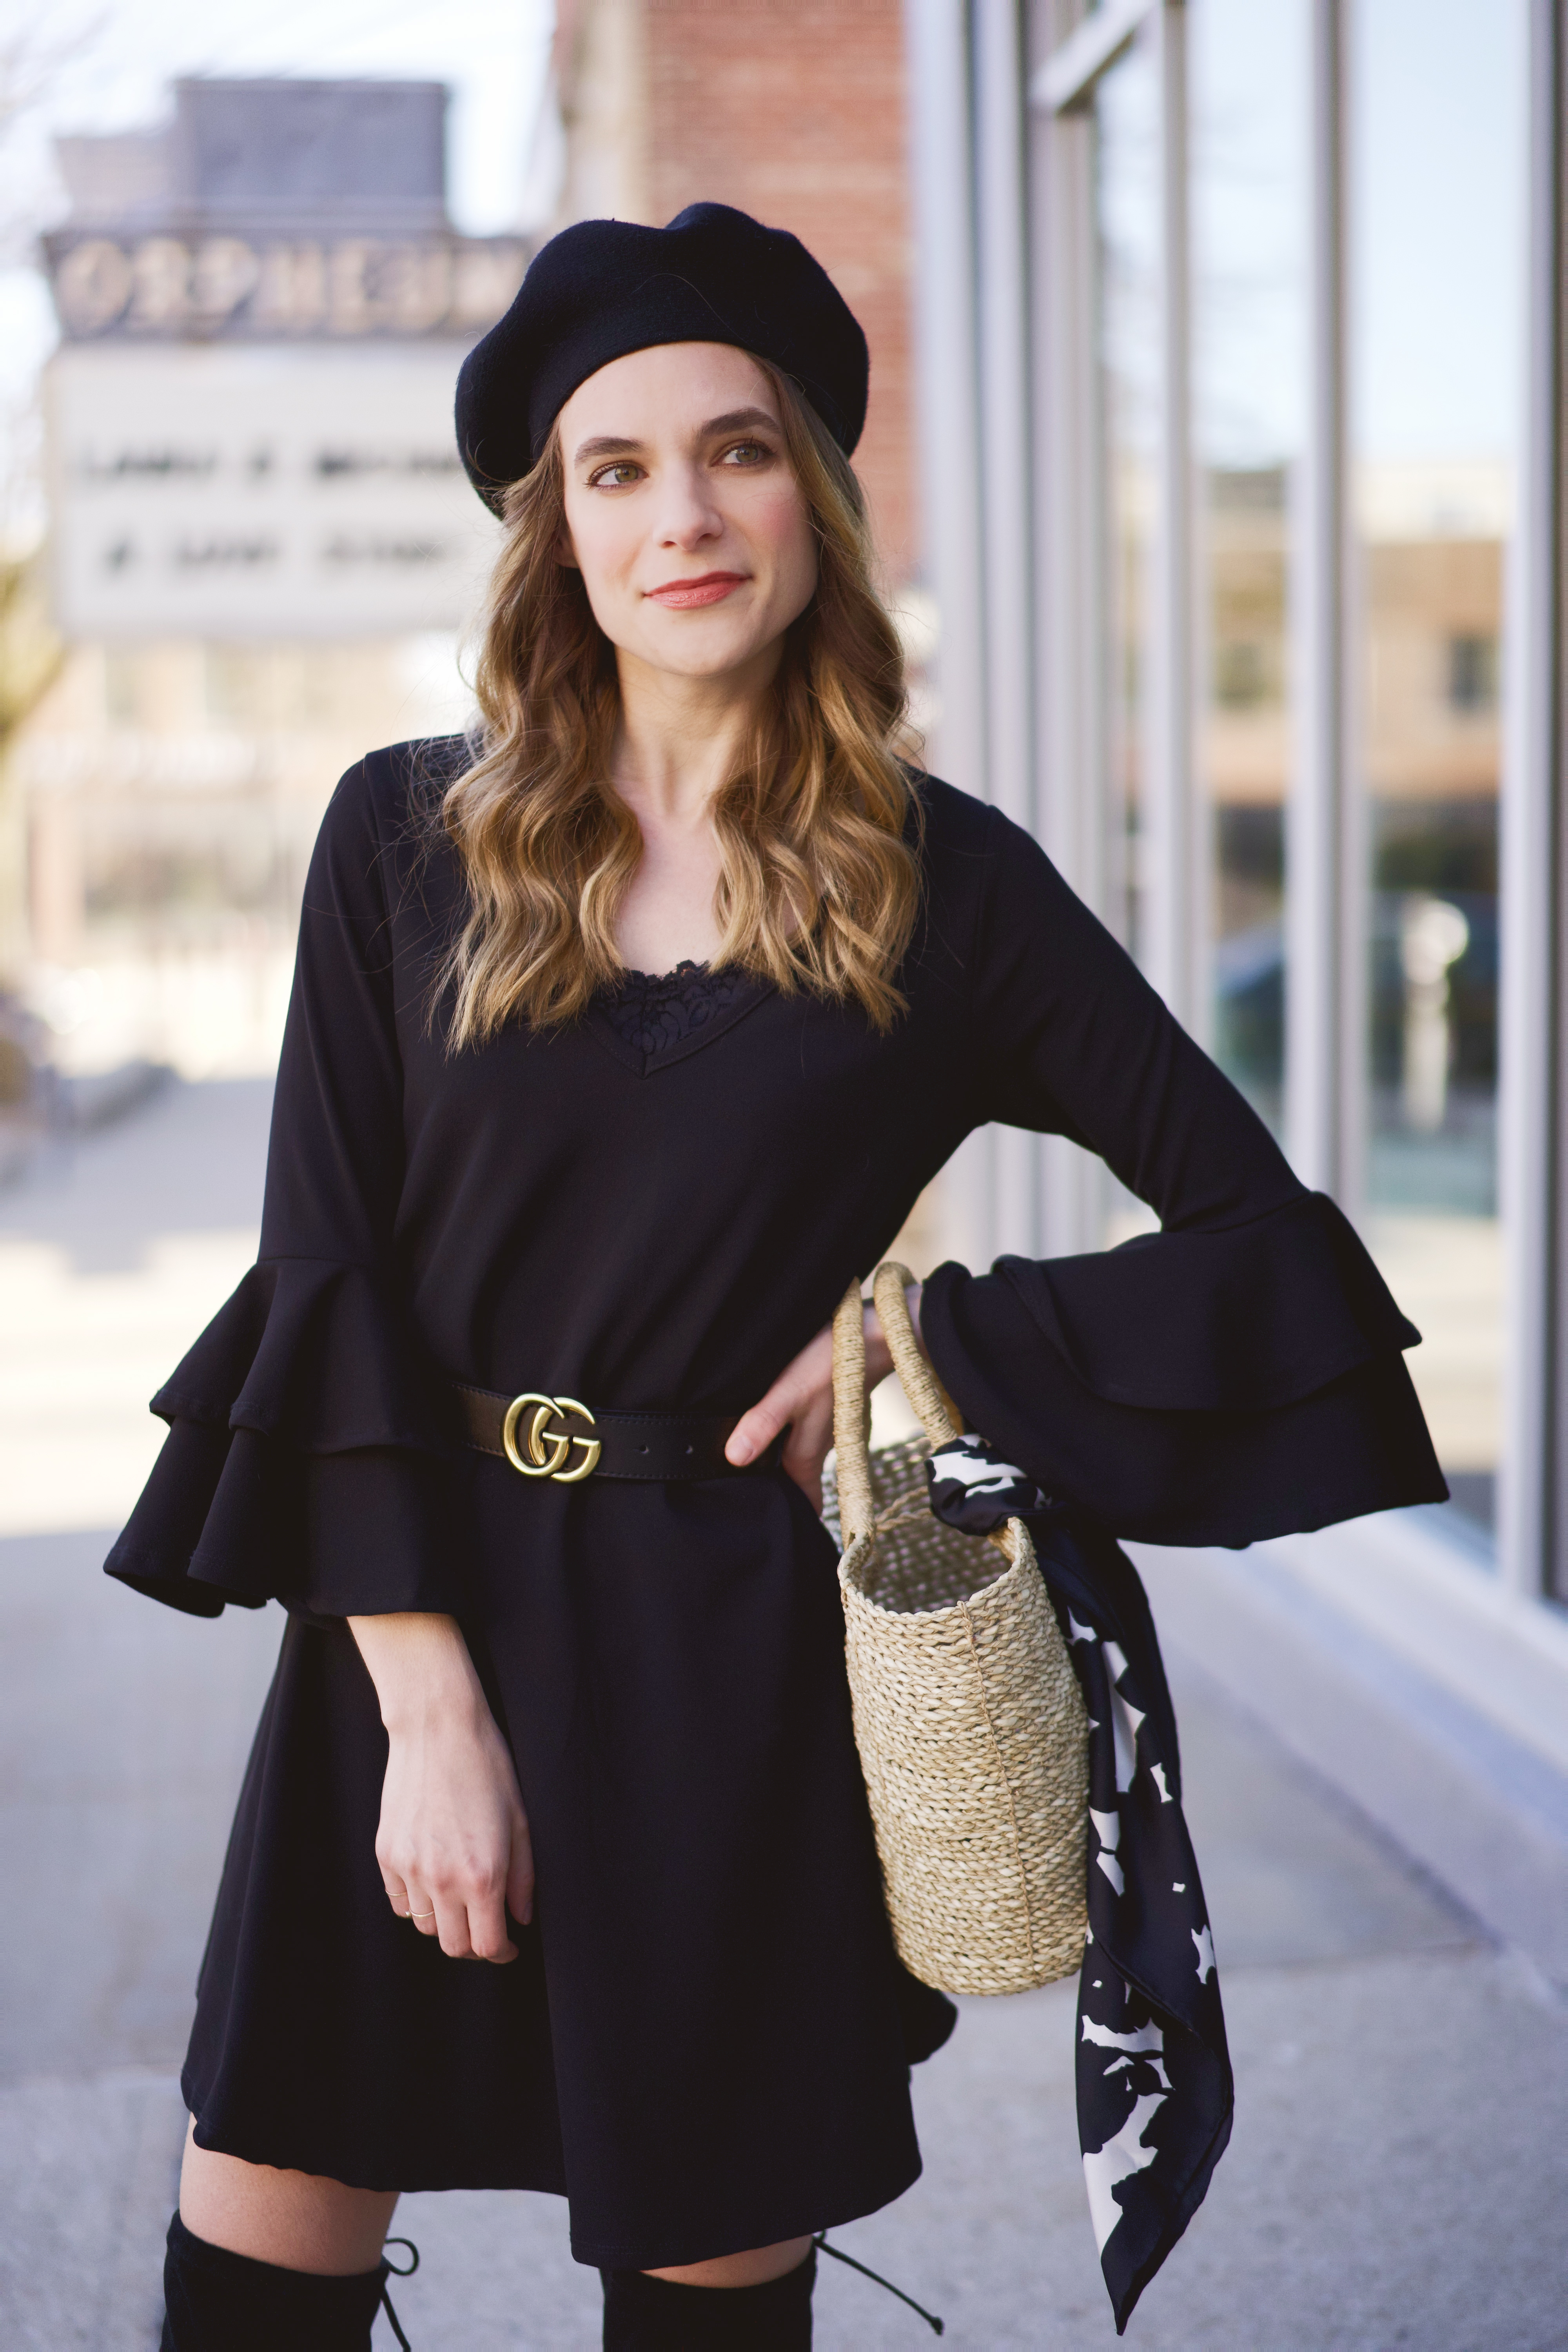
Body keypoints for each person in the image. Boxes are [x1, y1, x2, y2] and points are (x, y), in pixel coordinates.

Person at [109, 203, 1444, 2352]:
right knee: (252, 2281)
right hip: (410, 1635)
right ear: (556, 535)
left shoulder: (945, 885)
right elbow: (325, 1273)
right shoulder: (401, 839)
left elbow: (1271, 1252)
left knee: (705, 2307)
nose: (681, 515)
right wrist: (424, 1715)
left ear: (812, 500)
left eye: (735, 451)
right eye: (614, 472)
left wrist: (946, 1350)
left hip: (731, 1686)